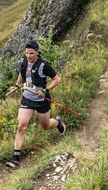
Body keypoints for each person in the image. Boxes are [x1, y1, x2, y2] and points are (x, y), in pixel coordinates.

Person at [6, 39, 65, 168]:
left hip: (41, 100)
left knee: (45, 126)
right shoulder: (23, 61)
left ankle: (58, 123)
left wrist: (45, 90)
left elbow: (57, 79)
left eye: (31, 53)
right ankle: (15, 159)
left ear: (37, 52)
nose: (28, 56)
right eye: (27, 53)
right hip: (27, 98)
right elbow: (22, 73)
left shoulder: (44, 65)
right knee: (21, 126)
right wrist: (17, 85)